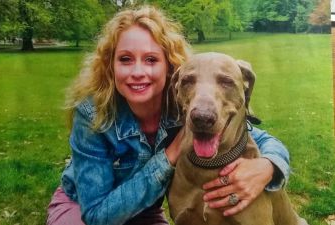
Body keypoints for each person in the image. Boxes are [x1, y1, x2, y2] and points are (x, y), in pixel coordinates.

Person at [46, 5, 290, 225]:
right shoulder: (93, 113)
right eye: (125, 59)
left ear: (169, 66)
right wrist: (171, 154)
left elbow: (261, 139)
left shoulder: (183, 102)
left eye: (151, 59)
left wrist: (268, 166)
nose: (138, 72)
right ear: (111, 65)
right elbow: (97, 216)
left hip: (144, 211)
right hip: (83, 208)